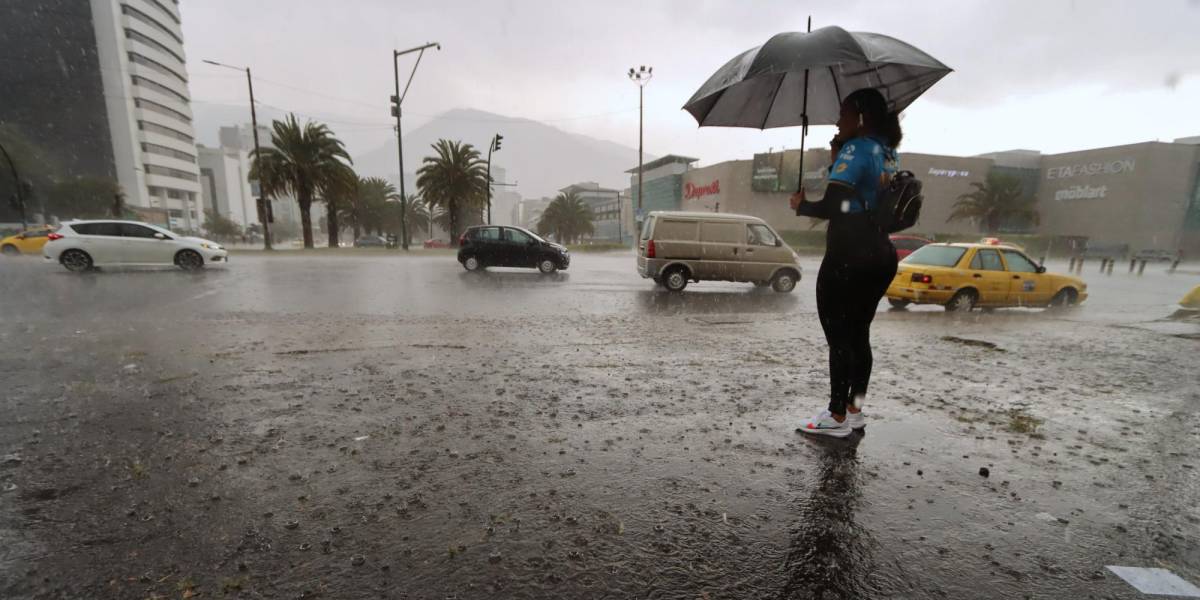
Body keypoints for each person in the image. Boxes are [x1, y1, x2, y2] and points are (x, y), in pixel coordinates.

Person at [790, 88, 901, 438]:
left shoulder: (857, 149)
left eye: (844, 114)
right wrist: (839, 153)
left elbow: (834, 206)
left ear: (862, 118)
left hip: (848, 255)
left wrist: (802, 205)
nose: (838, 121)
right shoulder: (887, 152)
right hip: (880, 254)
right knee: (859, 336)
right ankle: (855, 409)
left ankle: (836, 415)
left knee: (839, 337)